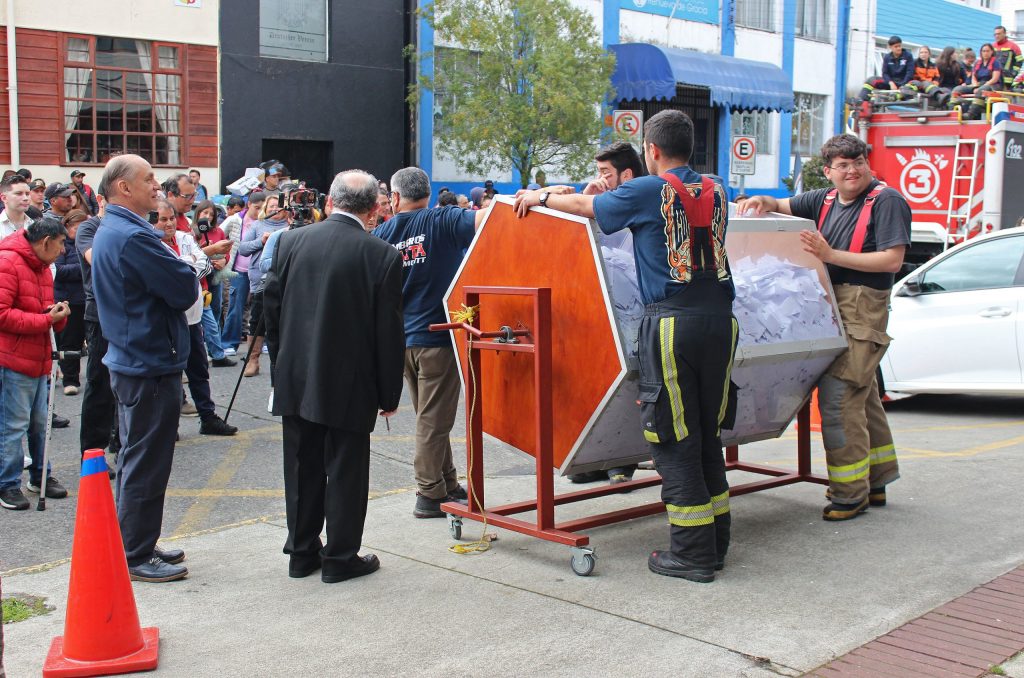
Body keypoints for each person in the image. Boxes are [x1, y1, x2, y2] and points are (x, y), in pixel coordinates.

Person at [514, 109, 738, 583]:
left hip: (673, 325)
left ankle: (692, 554)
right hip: (721, 323)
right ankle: (716, 542)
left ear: (651, 151)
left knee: (674, 439)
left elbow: (586, 210)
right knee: (705, 434)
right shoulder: (718, 189)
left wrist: (538, 195)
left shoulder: (647, 189)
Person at [737, 134, 909, 522]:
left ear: (868, 164)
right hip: (832, 304)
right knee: (861, 394)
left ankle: (850, 494)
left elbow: (892, 261)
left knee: (839, 395)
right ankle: (876, 479)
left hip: (863, 308)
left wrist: (830, 255)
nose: (852, 170)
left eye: (858, 162)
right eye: (843, 165)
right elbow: (781, 204)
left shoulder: (888, 201)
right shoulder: (824, 199)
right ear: (828, 172)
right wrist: (763, 201)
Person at [264, 170, 404, 582]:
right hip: (350, 379)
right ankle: (341, 557)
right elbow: (388, 333)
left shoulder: (290, 242)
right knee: (344, 468)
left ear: (330, 203)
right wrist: (388, 391)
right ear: (375, 208)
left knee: (302, 466)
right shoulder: (381, 255)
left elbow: (270, 308)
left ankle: (302, 551)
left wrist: (280, 365)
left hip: (295, 371)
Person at [91, 154, 198, 582]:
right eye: (149, 179)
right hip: (147, 361)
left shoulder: (122, 229)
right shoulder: (133, 236)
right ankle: (135, 553)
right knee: (145, 461)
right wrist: (186, 269)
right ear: (123, 188)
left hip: (139, 357)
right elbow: (183, 286)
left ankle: (137, 540)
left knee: (141, 456)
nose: (157, 186)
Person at [373, 167, 487, 518]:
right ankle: (428, 494)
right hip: (437, 338)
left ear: (394, 198)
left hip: (401, 342)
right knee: (433, 422)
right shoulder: (444, 220)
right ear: (429, 192)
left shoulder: (380, 234)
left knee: (430, 417)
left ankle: (446, 483)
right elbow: (489, 219)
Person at [568, 141, 647, 487]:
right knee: (598, 383)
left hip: (636, 310)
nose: (600, 179)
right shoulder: (604, 200)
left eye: (606, 173)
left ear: (626, 175)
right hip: (602, 307)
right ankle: (595, 458)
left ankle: (622, 458)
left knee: (632, 381)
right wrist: (587, 198)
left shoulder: (638, 198)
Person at [0, 216, 71, 511]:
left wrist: (55, 316)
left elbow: (37, 309)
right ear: (44, 242)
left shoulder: (43, 267)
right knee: (14, 425)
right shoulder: (8, 262)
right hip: (14, 359)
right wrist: (46, 319)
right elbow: (2, 314)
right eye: (61, 243)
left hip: (39, 357)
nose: (64, 250)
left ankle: (41, 476)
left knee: (41, 423)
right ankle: (7, 484)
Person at [153, 200, 237, 437]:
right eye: (162, 219)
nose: (168, 224)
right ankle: (170, 425)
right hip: (169, 320)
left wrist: (190, 265)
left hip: (193, 317)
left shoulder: (185, 238)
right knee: (170, 374)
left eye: (171, 218)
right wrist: (193, 263)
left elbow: (202, 267)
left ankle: (207, 417)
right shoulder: (152, 244)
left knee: (198, 370)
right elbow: (177, 272)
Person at [76, 192, 119, 476]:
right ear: (102, 199)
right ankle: (92, 450)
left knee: (125, 379)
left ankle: (120, 442)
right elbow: (98, 259)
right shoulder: (89, 228)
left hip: (124, 312)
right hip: (99, 314)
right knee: (98, 383)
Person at [238, 193, 290, 376]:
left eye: (279, 206)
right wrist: (261, 241)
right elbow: (242, 249)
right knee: (257, 321)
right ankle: (253, 359)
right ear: (265, 208)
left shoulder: (290, 227)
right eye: (272, 206)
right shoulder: (257, 225)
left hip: (285, 282)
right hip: (261, 280)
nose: (276, 209)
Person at [190, 200, 235, 367]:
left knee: (216, 311)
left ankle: (213, 347)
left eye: (211, 214)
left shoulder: (218, 232)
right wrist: (207, 250)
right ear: (198, 214)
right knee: (205, 315)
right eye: (204, 213)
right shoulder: (192, 232)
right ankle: (215, 352)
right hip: (199, 278)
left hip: (215, 276)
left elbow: (227, 252)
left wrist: (223, 260)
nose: (207, 217)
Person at [223, 193, 265, 352]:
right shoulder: (235, 220)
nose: (259, 211)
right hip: (239, 270)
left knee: (261, 308)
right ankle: (229, 343)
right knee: (235, 307)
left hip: (259, 272)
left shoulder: (264, 221)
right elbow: (220, 234)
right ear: (249, 205)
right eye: (256, 208)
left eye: (262, 208)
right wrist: (224, 256)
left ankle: (263, 342)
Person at [54, 210, 88, 396]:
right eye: (77, 227)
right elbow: (58, 270)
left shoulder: (88, 244)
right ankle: (70, 379)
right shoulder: (62, 245)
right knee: (70, 342)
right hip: (69, 300)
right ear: (67, 227)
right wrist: (84, 267)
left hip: (88, 299)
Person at [952, 43, 1002, 120]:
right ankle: (953, 112)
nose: (985, 53)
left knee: (981, 90)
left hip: (991, 86)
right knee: (957, 89)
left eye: (987, 51)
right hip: (978, 85)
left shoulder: (995, 63)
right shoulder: (978, 63)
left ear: (992, 52)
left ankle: (970, 114)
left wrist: (981, 87)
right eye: (983, 51)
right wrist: (975, 86)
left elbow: (995, 78)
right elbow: (974, 77)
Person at [858, 36, 912, 101]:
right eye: (896, 46)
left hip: (904, 83)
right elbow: (885, 73)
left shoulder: (908, 55)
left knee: (912, 84)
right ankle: (861, 101)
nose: (899, 48)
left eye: (899, 46)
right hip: (891, 83)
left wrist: (902, 85)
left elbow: (910, 72)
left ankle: (897, 95)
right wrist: (890, 82)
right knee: (871, 80)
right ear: (890, 47)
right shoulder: (887, 57)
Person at [0, 175, 32, 239]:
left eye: (27, 194)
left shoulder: (34, 225)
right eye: (19, 193)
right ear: (4, 198)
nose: (25, 198)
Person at [993, 25, 1021, 90]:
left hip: (1006, 81)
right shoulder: (992, 46)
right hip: (993, 80)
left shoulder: (1013, 46)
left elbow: (1019, 61)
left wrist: (1013, 73)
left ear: (1005, 34)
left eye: (999, 34)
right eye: (995, 34)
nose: (997, 36)